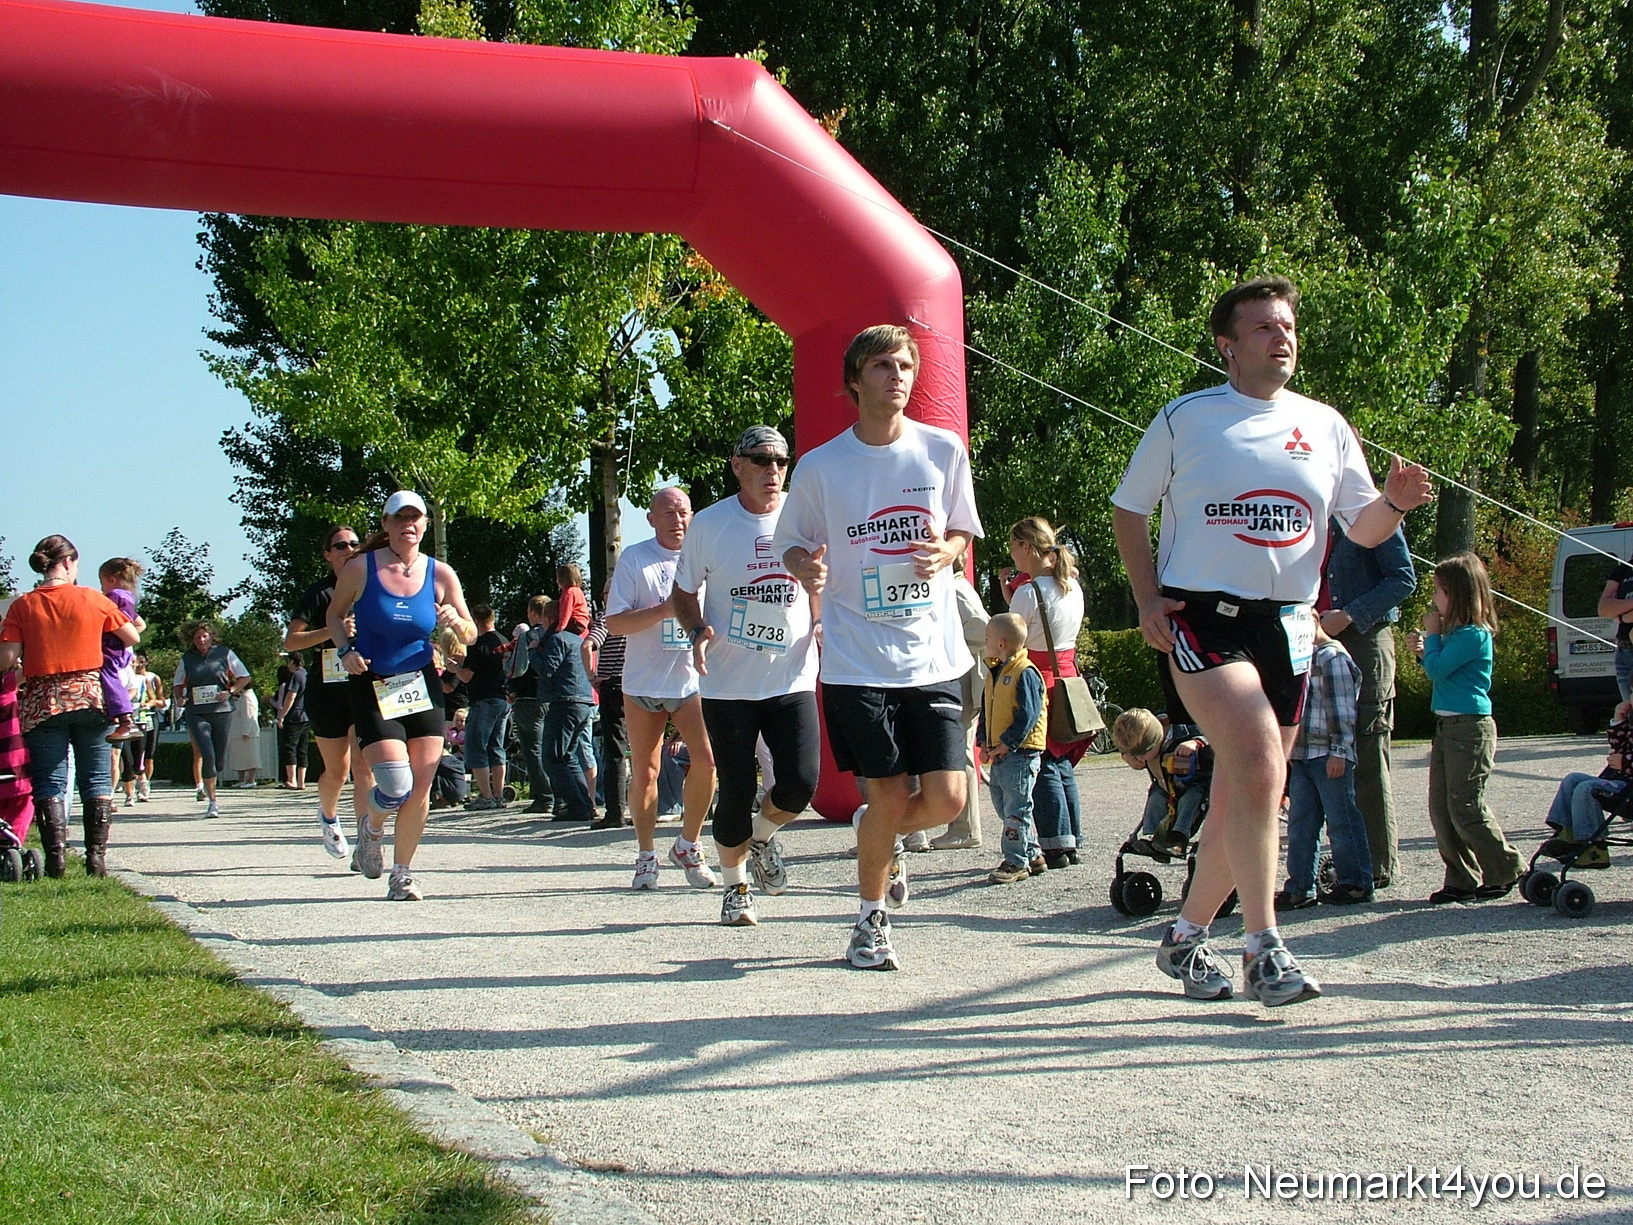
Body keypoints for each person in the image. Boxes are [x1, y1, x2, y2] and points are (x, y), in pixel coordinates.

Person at [1111, 275, 1433, 1007]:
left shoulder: (1325, 424)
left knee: (1249, 788)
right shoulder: (1186, 418)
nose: (1280, 337)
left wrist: (1393, 503)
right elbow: (1129, 510)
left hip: (1288, 623)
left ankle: (1185, 936)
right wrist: (1146, 597)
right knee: (1258, 759)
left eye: (1286, 325)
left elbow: (1362, 529)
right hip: (1202, 617)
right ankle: (1264, 947)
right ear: (1226, 346)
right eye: (1262, 327)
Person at [773, 324, 983, 971]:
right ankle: (869, 921)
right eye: (882, 366)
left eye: (904, 366)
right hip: (857, 657)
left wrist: (946, 553)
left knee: (948, 799)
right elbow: (790, 541)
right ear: (854, 381)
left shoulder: (942, 450)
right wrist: (805, 567)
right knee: (888, 794)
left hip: (933, 653)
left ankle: (877, 833)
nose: (896, 376)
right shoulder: (822, 466)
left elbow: (962, 531)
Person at [672, 425, 821, 926]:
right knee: (735, 788)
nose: (772, 470)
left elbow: (822, 581)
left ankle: (761, 837)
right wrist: (697, 629)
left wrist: (821, 619)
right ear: (737, 466)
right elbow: (683, 592)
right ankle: (735, 888)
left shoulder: (803, 517)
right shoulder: (711, 523)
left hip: (791, 675)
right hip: (728, 682)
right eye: (760, 460)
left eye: (781, 460)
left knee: (800, 782)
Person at [328, 490, 477, 901]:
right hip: (373, 681)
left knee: (421, 786)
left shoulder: (440, 573)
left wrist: (456, 623)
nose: (408, 525)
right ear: (386, 524)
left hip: (421, 684)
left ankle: (403, 874)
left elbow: (470, 633)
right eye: (399, 518)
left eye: (415, 518)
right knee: (396, 785)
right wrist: (345, 650)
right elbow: (334, 616)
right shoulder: (361, 567)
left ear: (425, 525)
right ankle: (372, 827)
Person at [0, 534, 139, 876]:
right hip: (91, 696)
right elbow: (131, 637)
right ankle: (96, 858)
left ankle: (56, 860)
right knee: (97, 778)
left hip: (43, 702)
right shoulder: (93, 599)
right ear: (68, 562)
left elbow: (6, 659)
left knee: (50, 781)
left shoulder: (23, 605)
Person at [605, 487, 718, 889]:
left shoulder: (706, 558)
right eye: (667, 512)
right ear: (651, 519)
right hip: (643, 682)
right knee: (646, 771)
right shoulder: (636, 559)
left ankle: (688, 844)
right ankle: (645, 855)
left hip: (691, 680)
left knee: (707, 762)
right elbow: (615, 623)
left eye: (683, 511)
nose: (677, 520)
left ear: (693, 516)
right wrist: (666, 610)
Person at [1407, 551, 1524, 904]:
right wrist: (1424, 649)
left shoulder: (1474, 635)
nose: (1434, 599)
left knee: (1465, 805)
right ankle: (1461, 877)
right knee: (1442, 808)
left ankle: (1505, 867)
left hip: (1470, 728)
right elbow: (1439, 668)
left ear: (1456, 594)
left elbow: (1438, 670)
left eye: (1438, 591)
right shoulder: (1454, 635)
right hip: (1447, 726)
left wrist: (1432, 639)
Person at [1321, 515, 1415, 889]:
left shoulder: (1376, 513)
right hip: (1319, 641)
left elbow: (1403, 579)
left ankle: (1377, 865)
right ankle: (1347, 862)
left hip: (1365, 639)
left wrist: (1348, 615)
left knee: (1367, 757)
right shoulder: (1315, 512)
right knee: (1323, 758)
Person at [284, 524, 373, 862]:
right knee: (338, 771)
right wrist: (332, 631)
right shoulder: (319, 594)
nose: (348, 549)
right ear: (327, 555)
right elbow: (291, 641)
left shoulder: (369, 588)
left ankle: (366, 841)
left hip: (362, 686)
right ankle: (329, 816)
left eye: (354, 543)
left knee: (364, 767)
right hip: (327, 692)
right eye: (340, 545)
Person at [1002, 517, 1086, 868]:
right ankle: (1072, 838)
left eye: (1013, 546)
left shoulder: (1029, 592)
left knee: (1042, 760)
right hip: (1069, 675)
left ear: (1027, 547)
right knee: (1062, 760)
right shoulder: (1071, 586)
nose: (1012, 554)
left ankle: (1055, 843)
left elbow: (1013, 637)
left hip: (1038, 677)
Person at [1277, 624, 1374, 908]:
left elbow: (1343, 709)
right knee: (1301, 824)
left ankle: (1356, 883)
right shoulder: (1302, 658)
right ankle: (1300, 887)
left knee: (1341, 820)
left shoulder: (1332, 657)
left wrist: (1340, 751)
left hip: (1328, 754)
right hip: (1303, 753)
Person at [977, 613, 1047, 884]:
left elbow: (1029, 714)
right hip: (1000, 752)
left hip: (1021, 752)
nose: (985, 643)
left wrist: (1008, 742)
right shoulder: (995, 672)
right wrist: (984, 741)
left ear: (1001, 643)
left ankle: (1015, 861)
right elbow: (987, 710)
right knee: (1002, 804)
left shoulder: (1025, 672)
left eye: (987, 638)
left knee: (1016, 808)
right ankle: (1032, 853)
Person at [931, 553, 989, 850]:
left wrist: (952, 641)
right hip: (962, 675)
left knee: (961, 753)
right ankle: (962, 827)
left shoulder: (955, 589)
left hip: (962, 677)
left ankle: (965, 829)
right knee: (960, 752)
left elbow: (983, 627)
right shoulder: (958, 587)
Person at [1536, 700, 1633, 869]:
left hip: (1628, 790)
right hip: (1623, 783)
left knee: (1587, 789)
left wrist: (1625, 763)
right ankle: (1568, 832)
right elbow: (1619, 747)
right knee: (1572, 780)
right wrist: (1619, 719)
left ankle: (1593, 845)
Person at [174, 621, 253, 819]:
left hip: (221, 710)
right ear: (192, 640)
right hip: (196, 712)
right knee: (206, 754)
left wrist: (230, 691)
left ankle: (213, 778)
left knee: (218, 760)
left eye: (204, 636)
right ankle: (213, 802)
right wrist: (180, 698)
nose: (201, 640)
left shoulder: (225, 654)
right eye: (197, 637)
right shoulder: (187, 658)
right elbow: (177, 683)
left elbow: (244, 676)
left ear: (211, 637)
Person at [530, 597, 598, 823]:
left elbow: (547, 669)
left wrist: (533, 652)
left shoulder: (557, 639)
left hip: (565, 702)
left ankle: (578, 807)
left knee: (552, 758)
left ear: (549, 619)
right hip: (584, 702)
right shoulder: (578, 639)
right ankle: (585, 805)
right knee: (568, 757)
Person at [1112, 707, 1210, 857]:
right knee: (1156, 797)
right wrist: (1126, 754)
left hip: (1197, 783)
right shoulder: (1145, 730)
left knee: (1190, 799)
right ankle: (1151, 836)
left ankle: (1179, 838)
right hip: (1165, 784)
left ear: (1155, 740)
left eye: (1142, 754)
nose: (1140, 759)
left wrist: (1196, 742)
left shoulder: (1185, 725)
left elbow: (1215, 734)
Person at [457, 605, 512, 811]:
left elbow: (466, 676)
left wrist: (455, 667)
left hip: (483, 699)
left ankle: (486, 796)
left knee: (476, 746)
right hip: (502, 699)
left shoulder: (478, 643)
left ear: (475, 621)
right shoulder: (504, 641)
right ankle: (498, 794)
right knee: (496, 747)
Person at [585, 592, 628, 828]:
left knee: (614, 751)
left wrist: (591, 677)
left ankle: (615, 812)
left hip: (612, 686)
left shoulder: (608, 617)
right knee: (645, 752)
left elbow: (587, 645)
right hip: (639, 684)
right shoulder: (639, 615)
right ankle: (646, 808)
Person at [97, 557, 147, 744]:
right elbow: (140, 624)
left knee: (109, 676)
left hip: (110, 647)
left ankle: (125, 718)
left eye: (102, 583)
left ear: (111, 580)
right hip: (122, 648)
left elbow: (107, 617)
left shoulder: (113, 597)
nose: (102, 588)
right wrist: (126, 641)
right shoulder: (129, 598)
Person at [1597, 553, 1633, 703]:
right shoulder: (1623, 569)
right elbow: (1603, 608)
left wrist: (1620, 614)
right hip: (1623, 652)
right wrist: (1625, 615)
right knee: (1627, 711)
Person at [275, 652, 310, 789]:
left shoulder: (295, 676)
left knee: (290, 747)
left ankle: (291, 779)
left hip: (294, 716)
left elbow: (291, 696)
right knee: (303, 748)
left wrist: (282, 715)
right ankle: (301, 781)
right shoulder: (306, 674)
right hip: (305, 715)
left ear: (292, 662)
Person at [227, 683, 262, 787]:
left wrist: (246, 731)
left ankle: (251, 780)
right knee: (240, 757)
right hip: (238, 732)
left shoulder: (247, 697)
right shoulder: (243, 697)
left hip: (247, 733)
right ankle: (241, 779)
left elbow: (249, 715)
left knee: (250, 756)